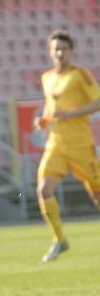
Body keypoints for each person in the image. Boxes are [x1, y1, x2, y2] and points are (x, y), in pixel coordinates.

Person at [34, 29, 100, 262]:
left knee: (97, 195)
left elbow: (97, 103)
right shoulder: (47, 77)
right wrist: (44, 119)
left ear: (71, 51)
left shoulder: (80, 75)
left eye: (64, 48)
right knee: (44, 189)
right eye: (56, 49)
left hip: (81, 145)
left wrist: (72, 114)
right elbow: (51, 107)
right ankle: (59, 240)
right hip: (56, 145)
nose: (60, 52)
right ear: (51, 52)